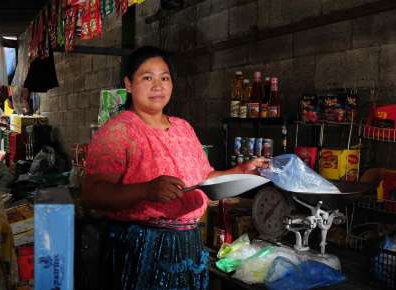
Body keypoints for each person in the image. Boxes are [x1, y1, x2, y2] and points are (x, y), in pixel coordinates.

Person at [82, 46, 268, 290]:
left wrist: (243, 170)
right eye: (147, 77)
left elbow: (205, 178)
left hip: (189, 243)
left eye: (165, 77)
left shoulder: (183, 128)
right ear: (128, 84)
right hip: (141, 247)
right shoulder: (118, 132)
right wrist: (146, 190)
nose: (158, 86)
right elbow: (92, 194)